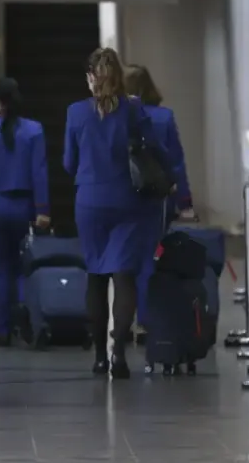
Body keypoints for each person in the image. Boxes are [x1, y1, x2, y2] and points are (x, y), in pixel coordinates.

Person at [64, 48, 175, 378]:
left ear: (89, 77)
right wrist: (170, 180)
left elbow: (69, 162)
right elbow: (156, 149)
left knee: (96, 277)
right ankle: (119, 355)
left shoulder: (75, 113)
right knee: (123, 276)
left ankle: (98, 356)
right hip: (127, 201)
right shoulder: (134, 109)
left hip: (89, 202)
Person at [0, 77, 50, 347]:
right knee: (24, 268)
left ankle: (3, 328)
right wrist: (43, 209)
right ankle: (25, 321)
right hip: (24, 206)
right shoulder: (34, 131)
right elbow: (39, 172)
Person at [123, 63, 192, 342]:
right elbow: (176, 160)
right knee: (152, 255)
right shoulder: (164, 117)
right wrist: (184, 199)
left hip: (123, 196)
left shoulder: (115, 117)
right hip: (156, 197)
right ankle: (146, 320)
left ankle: (123, 319)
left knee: (125, 259)